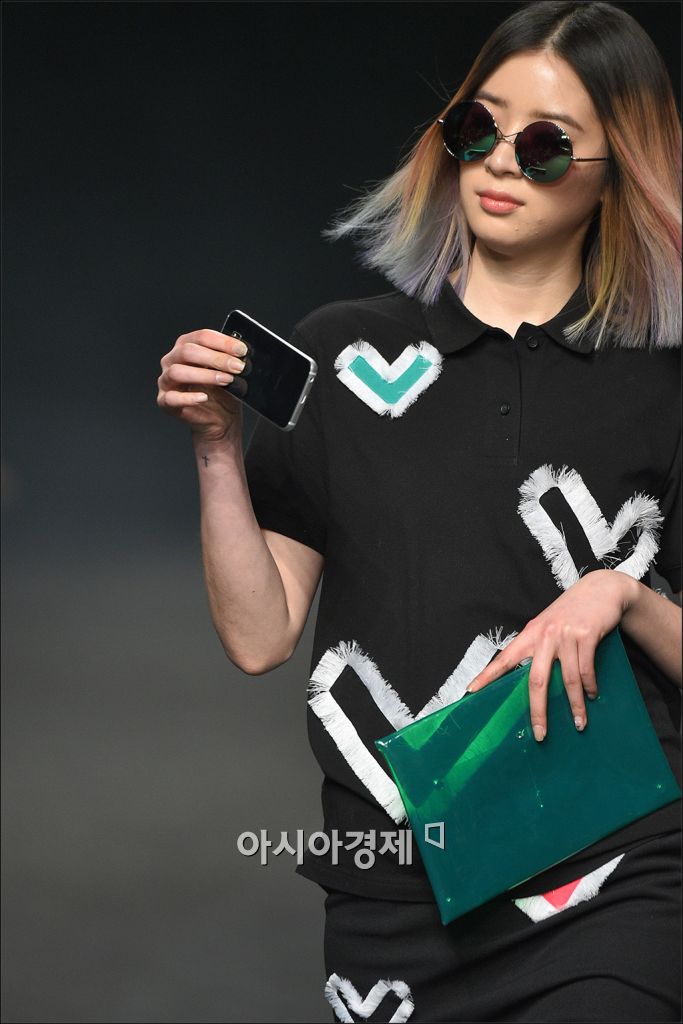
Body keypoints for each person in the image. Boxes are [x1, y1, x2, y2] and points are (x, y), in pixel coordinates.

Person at [156, 2, 682, 1019]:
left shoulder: (660, 384)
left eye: (543, 144)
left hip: (612, 873)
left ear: (616, 170)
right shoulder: (343, 358)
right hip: (395, 895)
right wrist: (217, 448)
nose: (497, 163)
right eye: (475, 128)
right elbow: (260, 636)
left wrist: (621, 596)